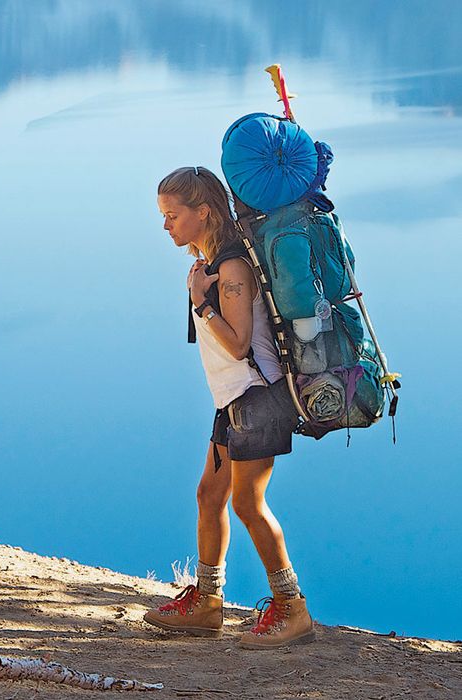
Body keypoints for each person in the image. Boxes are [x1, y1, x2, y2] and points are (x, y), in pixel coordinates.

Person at [143, 166, 316, 649]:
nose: (165, 225)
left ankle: (292, 608)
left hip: (259, 400)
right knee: (208, 496)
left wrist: (202, 302)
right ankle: (208, 603)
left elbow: (240, 345)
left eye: (172, 215)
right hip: (234, 401)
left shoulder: (233, 267)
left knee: (246, 503)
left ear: (203, 212)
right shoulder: (213, 260)